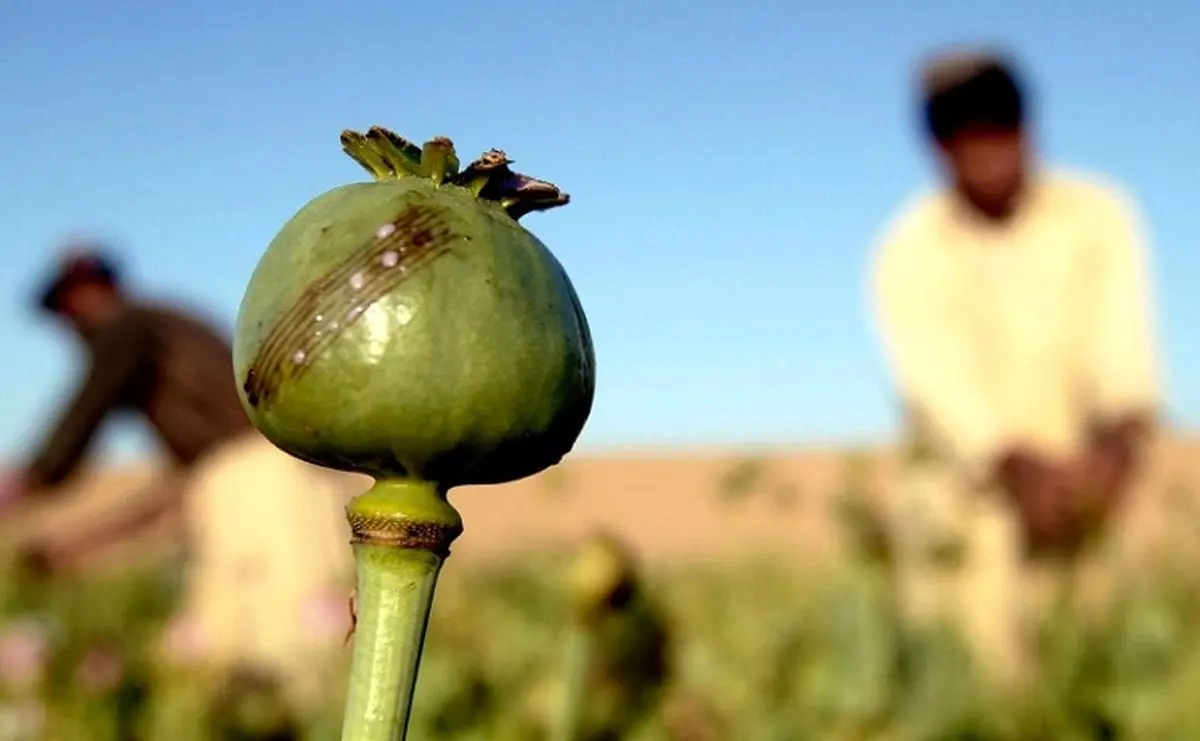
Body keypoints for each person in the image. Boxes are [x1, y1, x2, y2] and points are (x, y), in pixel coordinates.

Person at [868, 49, 1160, 689]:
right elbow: (937, 384)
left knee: (1099, 684)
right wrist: (1013, 466)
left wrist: (1116, 453)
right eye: (964, 140)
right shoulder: (909, 248)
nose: (986, 156)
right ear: (939, 150)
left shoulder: (1098, 216)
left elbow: (1124, 349)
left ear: (1027, 129)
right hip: (965, 519)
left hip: (1093, 503)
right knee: (974, 692)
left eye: (998, 132)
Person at [0, 245, 356, 707]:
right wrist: (80, 543)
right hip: (245, 485)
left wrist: (26, 483)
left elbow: (81, 419)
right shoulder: (172, 353)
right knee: (231, 657)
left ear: (89, 295)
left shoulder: (131, 325)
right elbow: (177, 489)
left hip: (265, 486)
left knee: (289, 655)